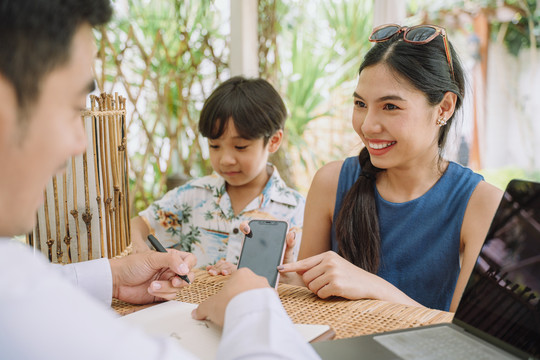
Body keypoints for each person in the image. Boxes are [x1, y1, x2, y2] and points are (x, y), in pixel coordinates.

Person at [0, 1, 319, 359]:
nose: (79, 144)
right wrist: (250, 305)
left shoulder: (16, 282)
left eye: (241, 146)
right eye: (74, 107)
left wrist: (115, 276)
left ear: (272, 141)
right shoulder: (18, 299)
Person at [276, 24, 503, 312]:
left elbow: (465, 337)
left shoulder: (480, 203)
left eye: (390, 107)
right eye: (360, 103)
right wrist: (284, 275)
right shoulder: (331, 182)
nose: (368, 125)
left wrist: (372, 287)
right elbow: (308, 304)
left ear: (444, 108)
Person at [130, 76, 305, 276]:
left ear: (273, 141)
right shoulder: (191, 195)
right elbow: (140, 224)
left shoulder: (296, 210)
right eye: (214, 146)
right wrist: (139, 249)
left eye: (240, 147)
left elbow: (299, 282)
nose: (225, 159)